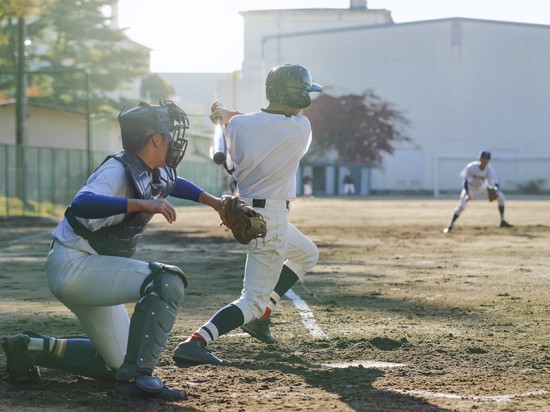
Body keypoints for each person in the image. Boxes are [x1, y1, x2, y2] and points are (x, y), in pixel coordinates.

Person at [1, 100, 222, 399]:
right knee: (165, 282)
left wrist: (216, 202)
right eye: (169, 134)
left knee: (118, 363)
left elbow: (173, 183)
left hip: (91, 268)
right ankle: (140, 383)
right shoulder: (117, 170)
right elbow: (81, 204)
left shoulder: (149, 168)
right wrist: (141, 204)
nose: (174, 141)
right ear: (155, 139)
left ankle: (28, 348)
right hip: (74, 265)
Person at [172, 63, 322, 366]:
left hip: (251, 209)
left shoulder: (238, 128)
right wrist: (227, 114)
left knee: (307, 253)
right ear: (291, 93)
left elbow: (249, 122)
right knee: (251, 299)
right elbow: (262, 122)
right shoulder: (300, 128)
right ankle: (197, 340)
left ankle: (262, 315)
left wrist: (222, 117)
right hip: (271, 220)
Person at [443, 151, 513, 233]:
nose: (485, 161)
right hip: (470, 187)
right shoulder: (471, 167)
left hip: (482, 187)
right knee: (461, 206)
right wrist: (468, 194)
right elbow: (465, 181)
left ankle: (502, 221)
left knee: (501, 197)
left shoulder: (489, 169)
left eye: (487, 159)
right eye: (483, 158)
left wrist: (495, 190)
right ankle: (450, 225)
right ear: (479, 158)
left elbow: (496, 183)